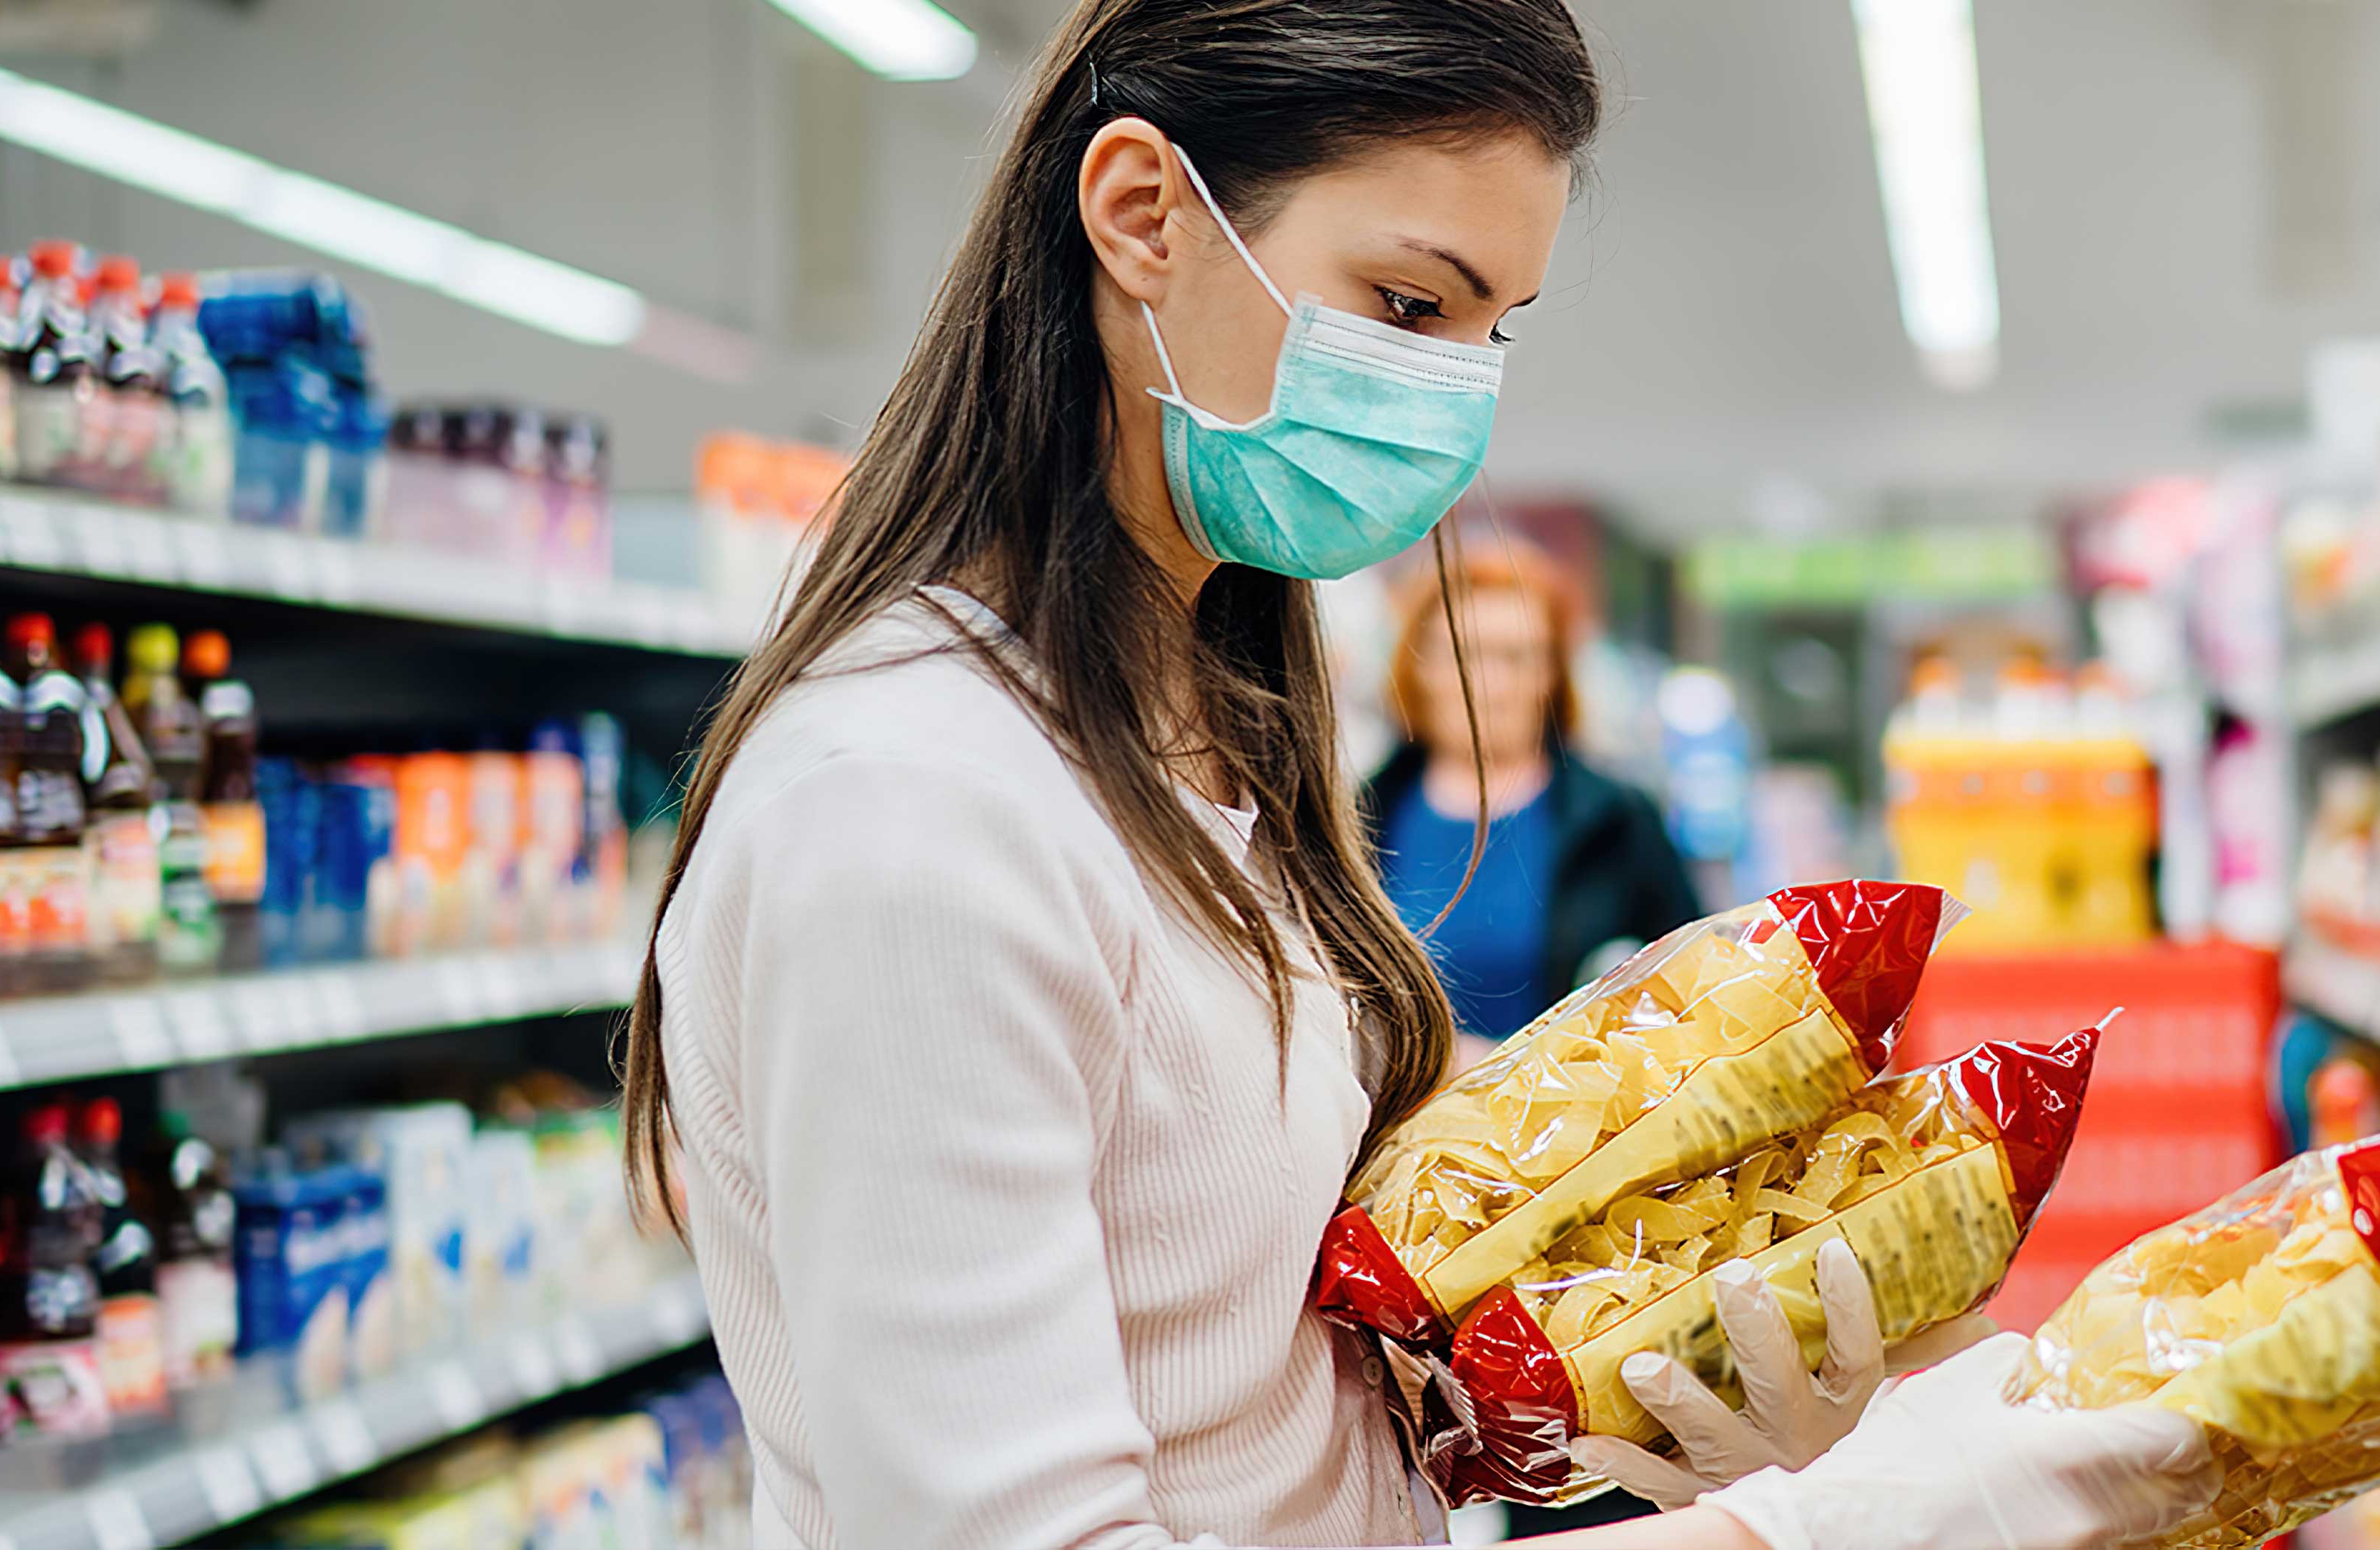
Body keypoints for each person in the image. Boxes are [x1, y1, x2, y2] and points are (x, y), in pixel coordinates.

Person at [616, 3, 2216, 1548]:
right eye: (1407, 306)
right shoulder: (909, 809)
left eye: (1490, 328)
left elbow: (1228, 1370)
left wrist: (1569, 1374)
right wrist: (1806, 1533)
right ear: (1139, 214)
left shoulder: (1206, 754)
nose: (1454, 395)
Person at [1364, 548, 1699, 1075]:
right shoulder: (1356, 818)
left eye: (1516, 657)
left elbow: (1695, 997)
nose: (1490, 685)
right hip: (1391, 1135)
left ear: (1551, 671)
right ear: (1418, 666)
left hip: (1575, 1138)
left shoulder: (1617, 820)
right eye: (1464, 655)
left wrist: (1511, 1064)